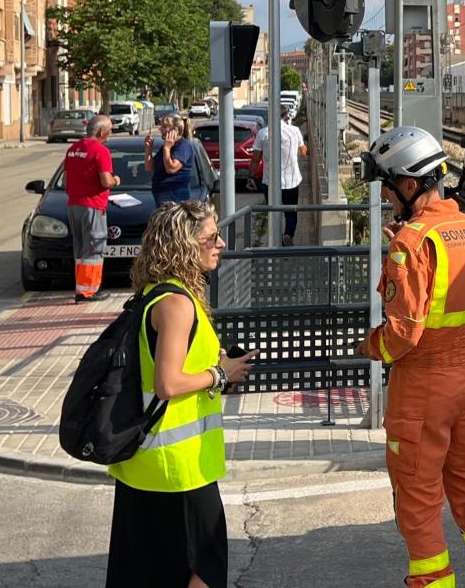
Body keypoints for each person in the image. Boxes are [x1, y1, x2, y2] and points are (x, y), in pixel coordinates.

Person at [360, 127, 465, 587]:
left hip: (422, 390)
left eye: (389, 189)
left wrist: (368, 347)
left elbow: (401, 335)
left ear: (409, 185)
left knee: (418, 499)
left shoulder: (411, 244)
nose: (388, 198)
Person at [106, 201, 258, 588]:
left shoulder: (156, 293)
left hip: (148, 466)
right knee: (205, 566)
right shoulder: (177, 304)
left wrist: (218, 364)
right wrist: (219, 374)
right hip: (178, 470)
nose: (220, 243)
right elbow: (168, 383)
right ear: (183, 245)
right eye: (210, 237)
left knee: (149, 573)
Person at [64, 115, 119, 302]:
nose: (110, 134)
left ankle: (81, 288)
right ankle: (89, 291)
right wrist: (115, 180)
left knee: (80, 250)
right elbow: (105, 181)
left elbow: (65, 181)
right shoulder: (101, 151)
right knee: (94, 249)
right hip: (93, 206)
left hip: (73, 205)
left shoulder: (73, 149)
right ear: (101, 132)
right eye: (110, 130)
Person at [249, 107, 306, 244]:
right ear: (285, 116)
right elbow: (303, 152)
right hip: (291, 181)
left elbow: (256, 159)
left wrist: (251, 175)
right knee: (291, 212)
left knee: (274, 212)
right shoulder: (295, 131)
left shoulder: (263, 134)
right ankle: (288, 235)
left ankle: (276, 239)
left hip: (270, 183)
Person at [145, 115, 197, 207]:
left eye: (164, 126)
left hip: (174, 195)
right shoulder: (166, 147)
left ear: (175, 130)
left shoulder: (183, 145)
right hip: (162, 195)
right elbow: (149, 167)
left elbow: (171, 168)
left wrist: (167, 148)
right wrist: (148, 149)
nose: (160, 129)